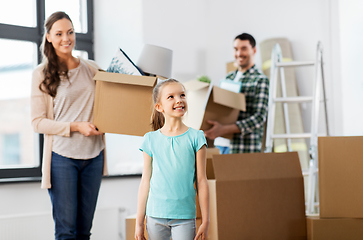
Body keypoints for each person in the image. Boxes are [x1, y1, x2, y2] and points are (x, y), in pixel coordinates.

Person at [30, 11, 107, 240]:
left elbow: (112, 100)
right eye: (60, 33)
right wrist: (76, 126)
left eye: (70, 32)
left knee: (85, 231)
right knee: (66, 232)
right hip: (62, 158)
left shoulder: (91, 68)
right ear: (49, 38)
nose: (66, 38)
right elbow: (37, 123)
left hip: (94, 156)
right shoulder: (41, 74)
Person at [135, 79, 210, 240]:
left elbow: (202, 180)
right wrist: (139, 222)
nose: (179, 100)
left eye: (182, 95)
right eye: (171, 97)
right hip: (155, 215)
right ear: (159, 107)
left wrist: (206, 220)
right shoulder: (150, 139)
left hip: (184, 216)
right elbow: (145, 181)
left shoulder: (197, 137)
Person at [205, 33, 269, 154]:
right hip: (220, 144)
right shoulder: (228, 78)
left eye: (244, 48)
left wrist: (224, 129)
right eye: (236, 49)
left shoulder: (260, 80)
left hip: (242, 148)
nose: (239, 53)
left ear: (254, 50)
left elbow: (259, 118)